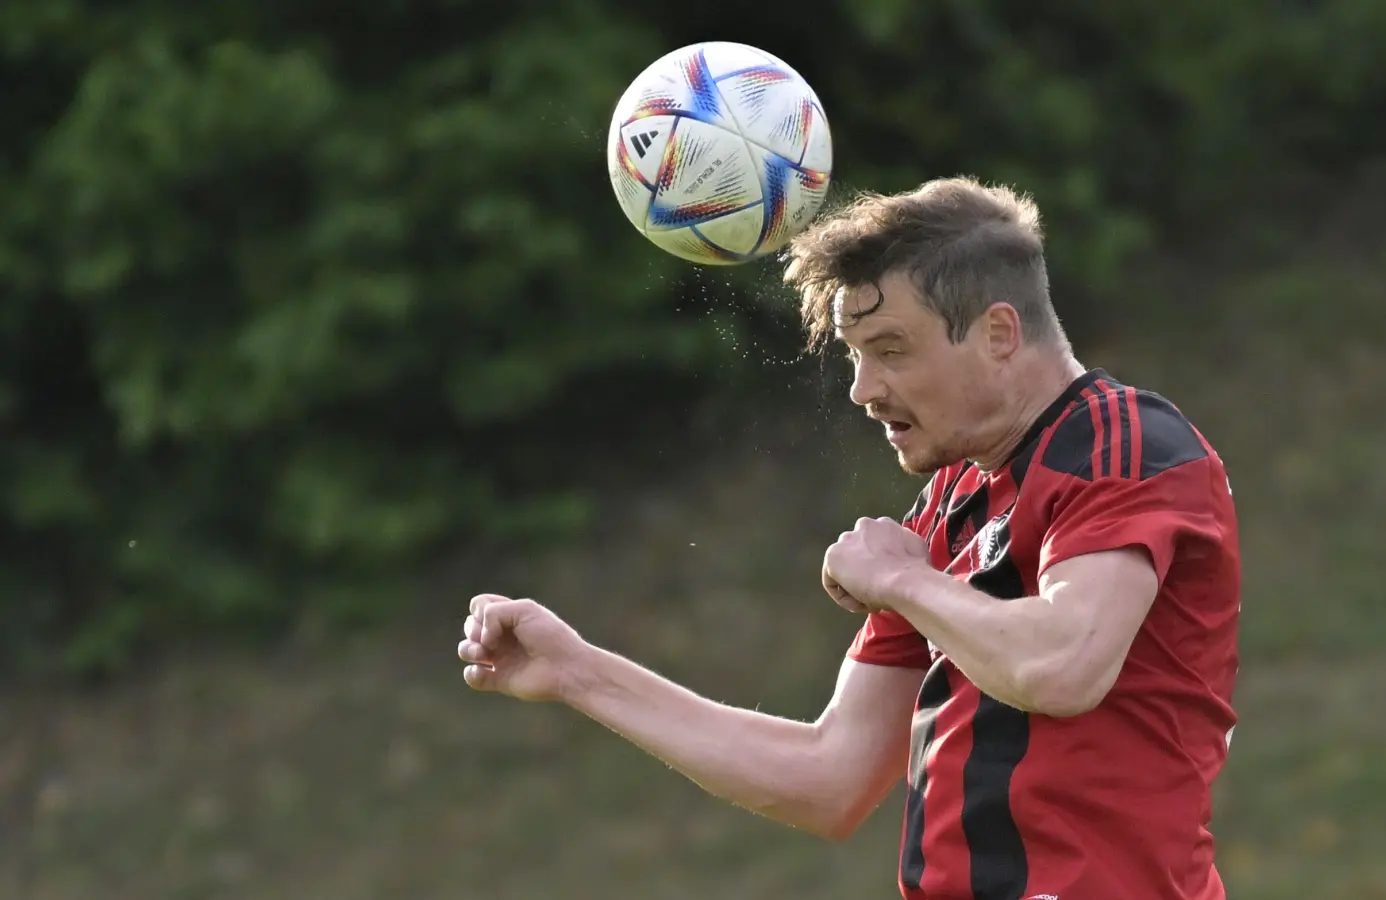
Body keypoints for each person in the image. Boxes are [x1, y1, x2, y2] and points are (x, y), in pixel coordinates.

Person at [457, 177, 1242, 900]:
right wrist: (575, 671)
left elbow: (1065, 664)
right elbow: (827, 779)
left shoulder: (1121, 442)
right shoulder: (945, 509)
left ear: (1000, 333)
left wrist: (905, 582)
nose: (864, 390)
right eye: (856, 357)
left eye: (891, 350)